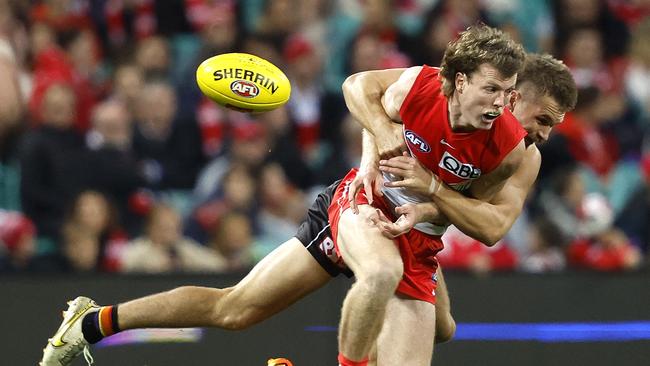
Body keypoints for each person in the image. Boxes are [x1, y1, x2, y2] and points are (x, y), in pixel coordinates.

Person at [40, 50, 576, 366]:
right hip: (360, 208)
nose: (546, 136)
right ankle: (92, 323)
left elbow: (495, 227)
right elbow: (366, 92)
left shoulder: (519, 157)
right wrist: (378, 144)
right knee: (242, 308)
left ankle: (88, 323)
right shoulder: (447, 87)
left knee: (444, 328)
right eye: (544, 119)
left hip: (418, 235)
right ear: (509, 95)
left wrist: (433, 194)